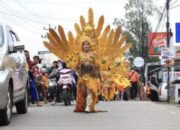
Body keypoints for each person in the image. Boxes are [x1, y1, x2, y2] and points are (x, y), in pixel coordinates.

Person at [74, 40, 100, 113]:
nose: (86, 46)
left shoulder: (93, 54)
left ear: (89, 46)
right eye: (84, 44)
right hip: (82, 75)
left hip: (91, 75)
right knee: (83, 92)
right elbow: (76, 65)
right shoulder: (79, 54)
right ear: (82, 46)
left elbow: (97, 65)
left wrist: (91, 65)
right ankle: (85, 104)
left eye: (87, 44)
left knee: (89, 90)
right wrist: (81, 66)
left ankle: (88, 107)